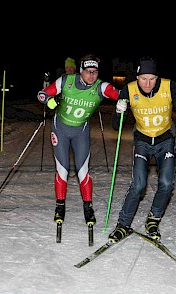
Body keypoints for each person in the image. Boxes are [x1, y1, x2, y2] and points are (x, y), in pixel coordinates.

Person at [108, 57, 176, 243]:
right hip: (143, 141)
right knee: (138, 185)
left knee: (167, 183)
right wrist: (118, 110)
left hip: (165, 140)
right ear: (137, 77)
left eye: (152, 79)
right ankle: (123, 225)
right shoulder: (128, 89)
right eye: (143, 78)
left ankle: (153, 219)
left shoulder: (169, 86)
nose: (147, 83)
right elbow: (116, 125)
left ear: (157, 77)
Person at [37, 54, 119, 228]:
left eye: (95, 72)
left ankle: (88, 206)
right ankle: (60, 205)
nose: (91, 75)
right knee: (63, 169)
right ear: (81, 71)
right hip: (61, 130)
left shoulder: (100, 87)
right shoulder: (66, 81)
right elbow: (42, 94)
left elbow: (120, 95)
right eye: (88, 72)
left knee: (83, 171)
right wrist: (49, 101)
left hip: (80, 132)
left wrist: (126, 101)